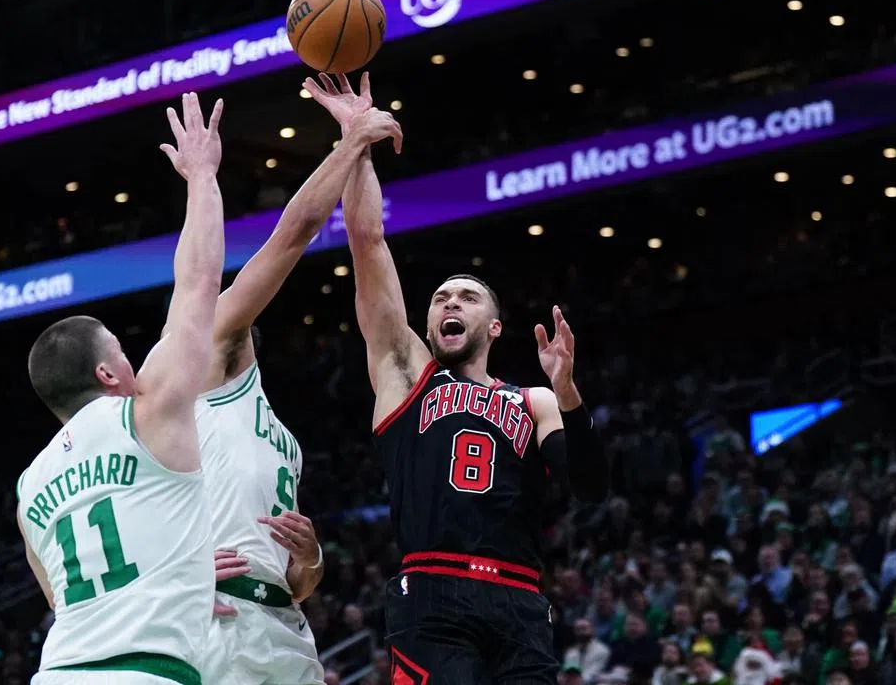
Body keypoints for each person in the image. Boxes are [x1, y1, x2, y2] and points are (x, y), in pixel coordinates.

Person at [319, 73, 608, 682]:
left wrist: (568, 392)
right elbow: (368, 241)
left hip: (520, 599)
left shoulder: (533, 400)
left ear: (495, 326)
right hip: (432, 594)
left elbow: (589, 486)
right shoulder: (406, 376)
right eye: (441, 298)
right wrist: (357, 144)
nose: (450, 303)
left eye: (467, 297)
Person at [197, 73, 402, 685]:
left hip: (284, 630)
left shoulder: (279, 437)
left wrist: (309, 559)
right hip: (216, 625)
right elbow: (292, 236)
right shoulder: (201, 361)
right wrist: (350, 142)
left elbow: (298, 582)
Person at [16, 93, 226, 684]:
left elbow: (64, 599)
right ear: (107, 375)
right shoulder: (147, 412)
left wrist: (179, 575)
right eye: (124, 354)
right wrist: (202, 177)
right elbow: (199, 284)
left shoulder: (29, 488)